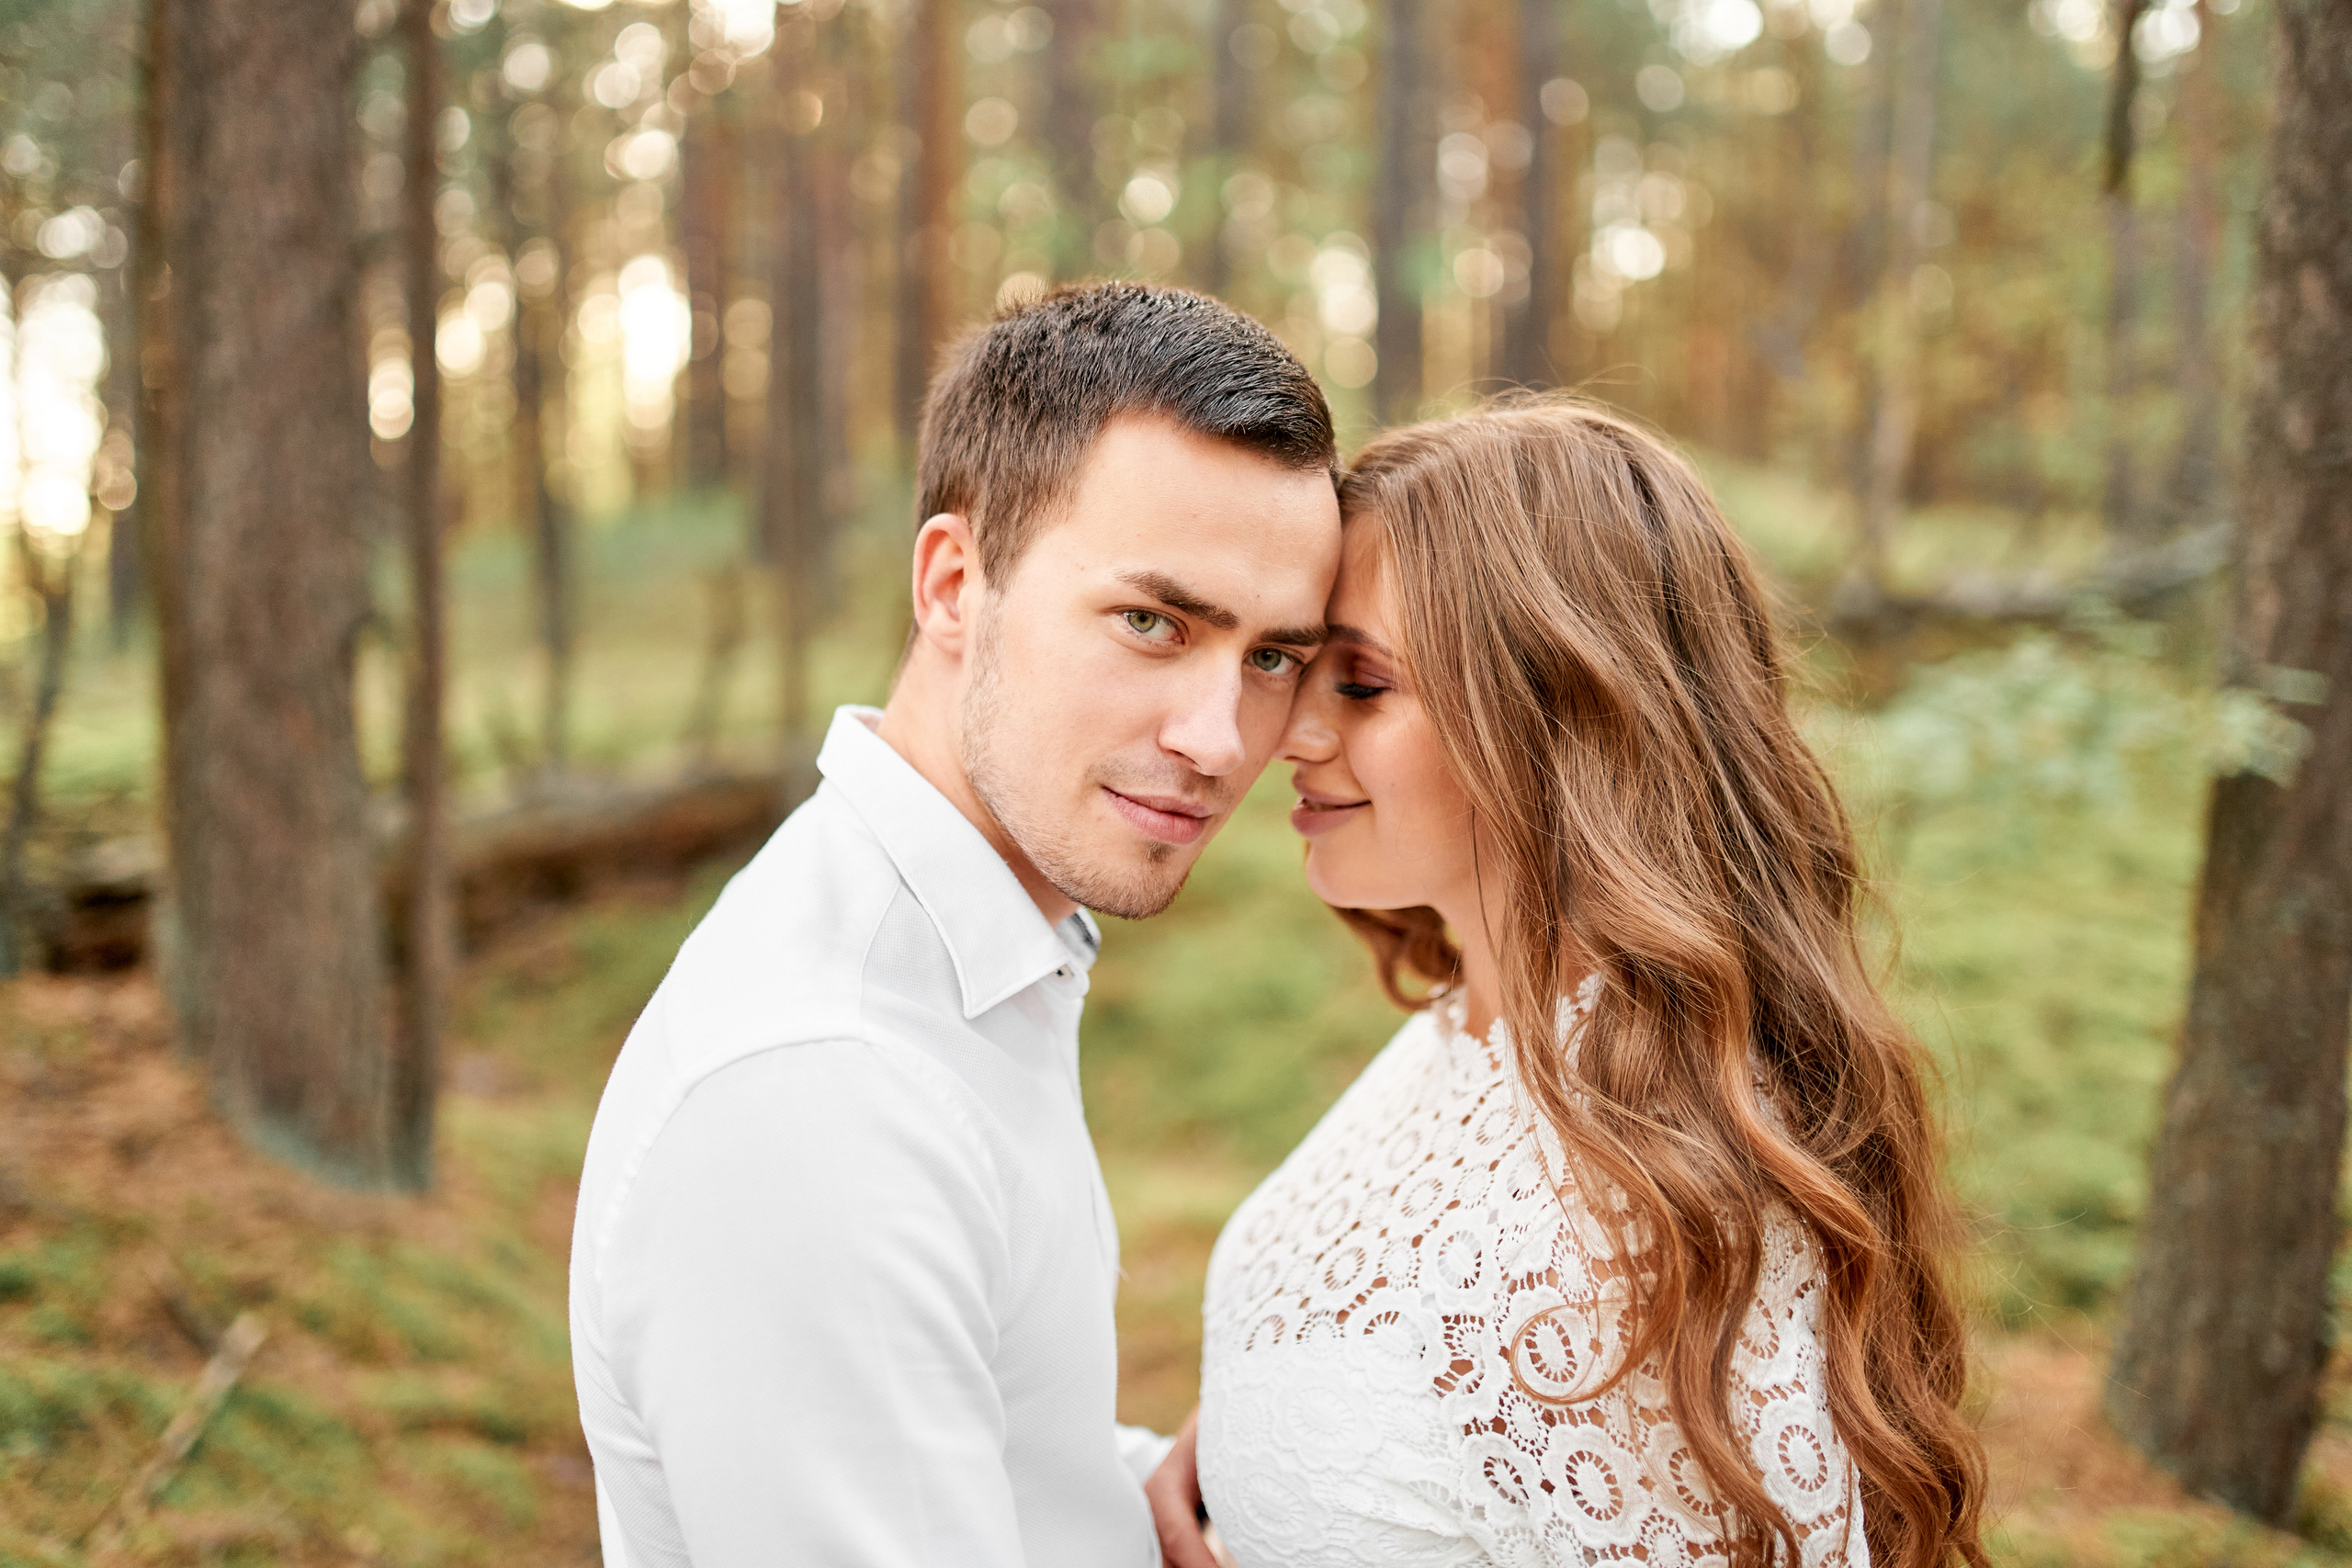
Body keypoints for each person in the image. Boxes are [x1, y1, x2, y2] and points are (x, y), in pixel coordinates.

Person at [569, 281, 1343, 1568]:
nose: (1219, 740)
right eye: (1154, 622)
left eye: (1271, 657)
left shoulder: (980, 953)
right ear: (951, 584)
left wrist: (1136, 1480)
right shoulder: (824, 1093)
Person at [1147, 401, 1986, 1567]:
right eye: (1303, 669)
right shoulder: (1466, 1031)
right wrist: (1266, 1445)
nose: (1288, 732)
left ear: (1560, 716)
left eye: (1365, 684)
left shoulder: (1644, 1234)